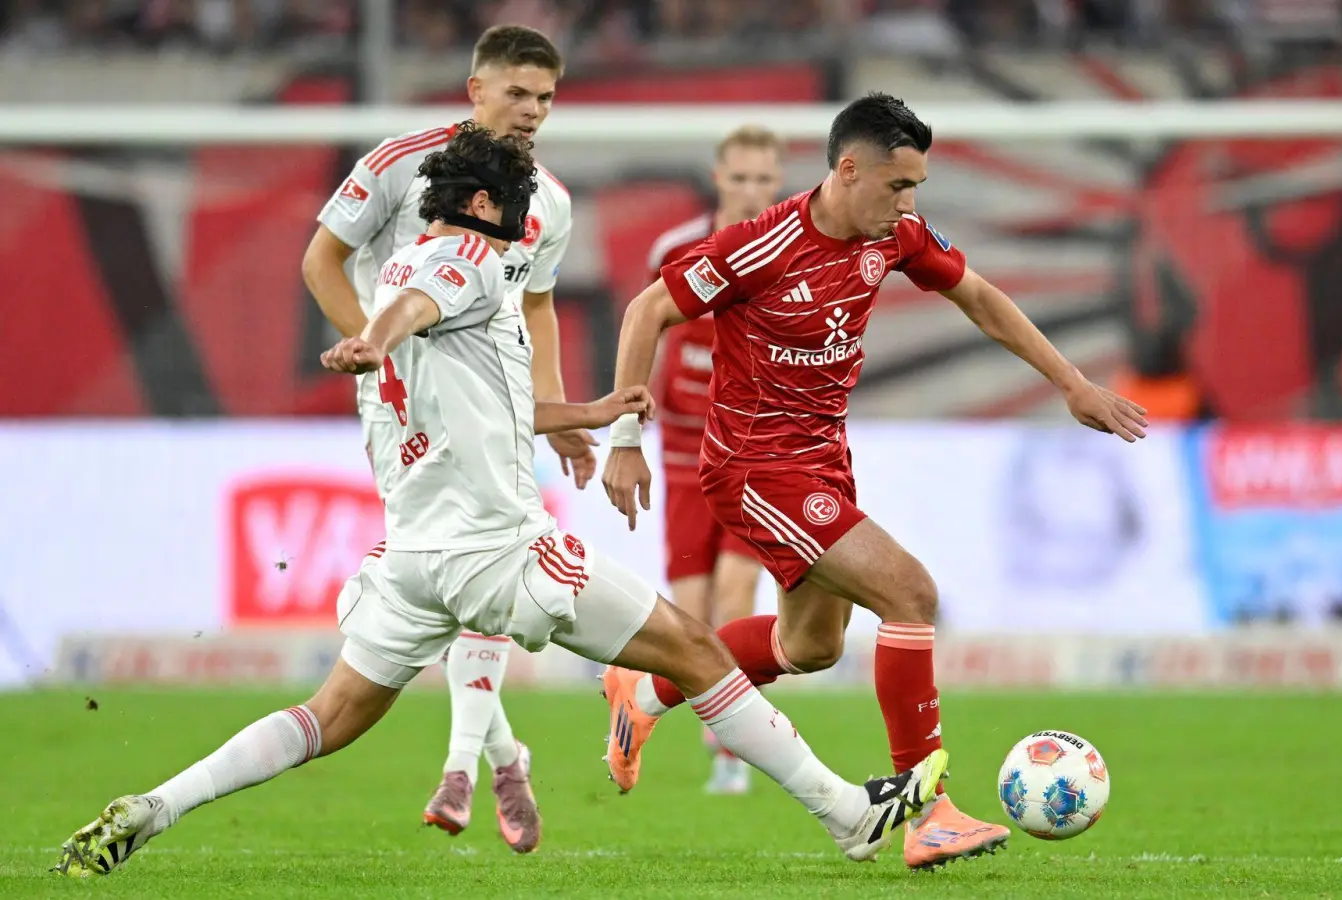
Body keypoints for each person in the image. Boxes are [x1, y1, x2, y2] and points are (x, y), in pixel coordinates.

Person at [52, 126, 946, 879]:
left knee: (325, 718)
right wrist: (373, 338)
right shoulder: (468, 255)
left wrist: (583, 411)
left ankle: (159, 805)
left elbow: (472, 384)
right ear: (484, 202)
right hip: (501, 553)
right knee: (698, 649)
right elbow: (414, 306)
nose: (531, 216)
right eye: (521, 196)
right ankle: (845, 813)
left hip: (410, 562)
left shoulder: (411, 260)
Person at [599, 93, 1148, 870]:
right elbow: (647, 308)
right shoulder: (762, 244)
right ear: (848, 170)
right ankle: (928, 810)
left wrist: (1071, 383)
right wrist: (626, 434)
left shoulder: (892, 238)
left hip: (822, 459)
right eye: (899, 186)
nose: (909, 202)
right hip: (756, 467)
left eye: (917, 186)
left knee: (809, 647)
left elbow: (980, 298)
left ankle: (646, 688)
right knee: (909, 593)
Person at [301, 24, 581, 850]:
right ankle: (502, 757)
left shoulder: (550, 201)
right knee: (463, 575)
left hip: (492, 410)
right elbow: (322, 260)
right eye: (517, 93)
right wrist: (376, 356)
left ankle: (465, 767)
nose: (531, 111)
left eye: (545, 98)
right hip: (404, 417)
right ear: (476, 90)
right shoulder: (398, 162)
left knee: (484, 568)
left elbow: (537, 307)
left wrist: (556, 413)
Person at [643, 124, 784, 795]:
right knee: (691, 613)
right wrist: (631, 401)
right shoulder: (674, 250)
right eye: (741, 177)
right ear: (719, 177)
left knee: (737, 593)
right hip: (681, 451)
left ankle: (732, 748)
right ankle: (713, 729)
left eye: (764, 179)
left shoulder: (791, 253)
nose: (752, 191)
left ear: (778, 183)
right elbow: (651, 324)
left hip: (753, 452)